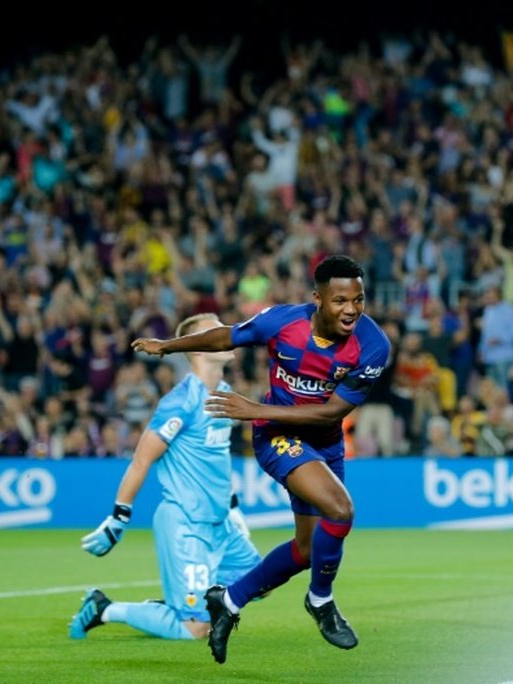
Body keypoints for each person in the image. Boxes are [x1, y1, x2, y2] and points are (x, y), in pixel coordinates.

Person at [131, 255, 391, 665]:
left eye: (358, 299)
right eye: (340, 300)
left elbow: (331, 413)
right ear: (318, 299)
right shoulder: (283, 322)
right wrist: (168, 346)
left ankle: (228, 601)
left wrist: (254, 408)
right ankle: (321, 601)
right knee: (340, 509)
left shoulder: (373, 346)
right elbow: (226, 337)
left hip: (321, 440)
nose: (351, 310)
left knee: (307, 550)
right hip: (277, 436)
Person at [68, 313, 261, 641]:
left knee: (259, 580)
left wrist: (232, 507)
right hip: (186, 524)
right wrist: (119, 518)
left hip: (219, 523)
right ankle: (103, 608)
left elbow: (217, 459)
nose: (227, 332)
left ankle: (176, 604)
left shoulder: (225, 392)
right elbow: (141, 460)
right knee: (195, 628)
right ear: (199, 348)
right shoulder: (181, 402)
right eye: (215, 330)